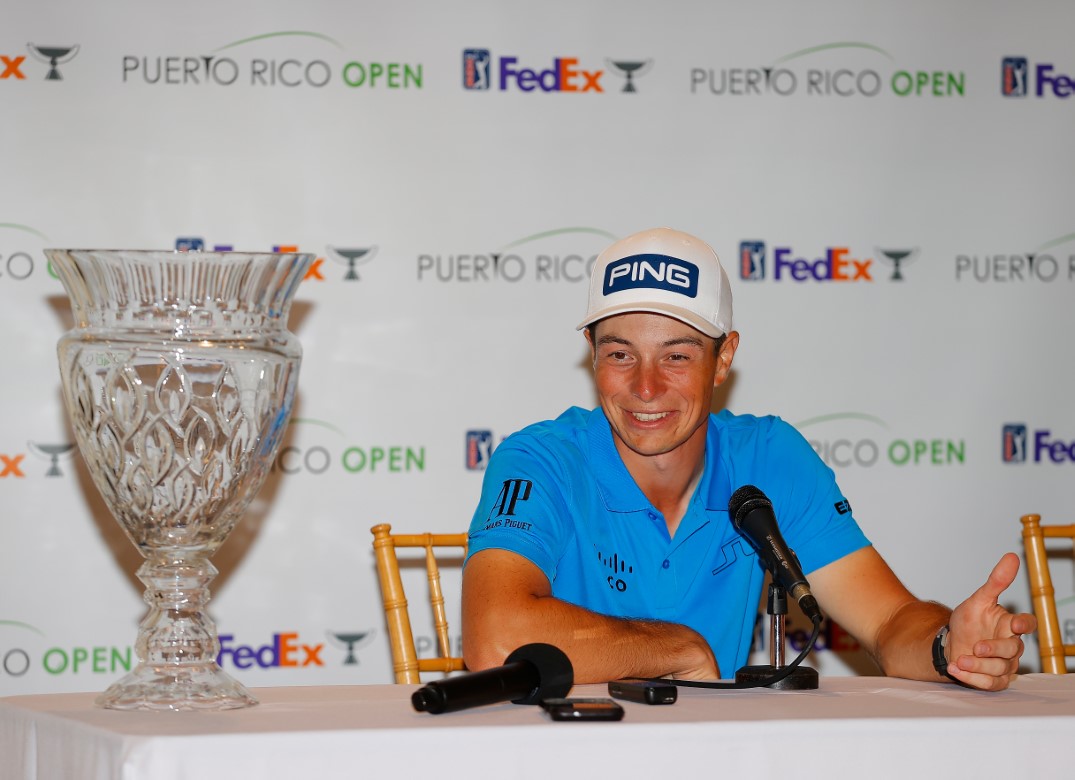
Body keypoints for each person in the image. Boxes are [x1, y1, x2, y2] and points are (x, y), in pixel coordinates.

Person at [461, 227, 1035, 690]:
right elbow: (494, 639)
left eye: (677, 356)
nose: (646, 387)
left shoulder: (769, 455)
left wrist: (947, 646)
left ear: (725, 357)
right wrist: (676, 648)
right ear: (591, 355)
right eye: (620, 353)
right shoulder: (540, 459)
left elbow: (887, 622)